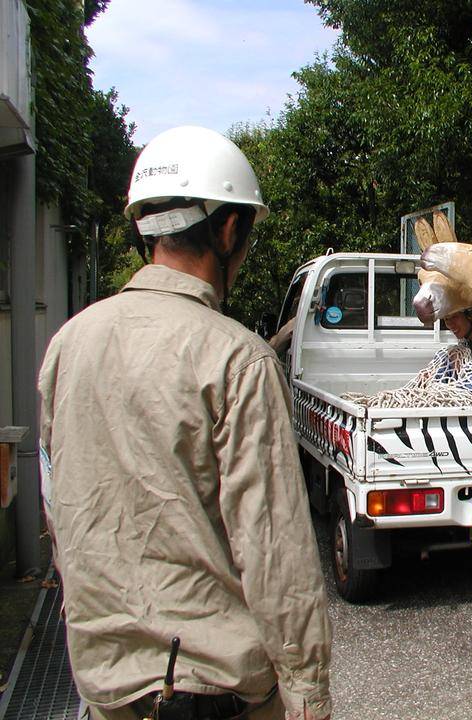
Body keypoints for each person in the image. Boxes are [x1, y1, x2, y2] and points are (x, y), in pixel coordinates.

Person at [38, 126, 332, 720]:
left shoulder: (69, 344)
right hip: (212, 691)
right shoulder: (236, 360)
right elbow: (275, 553)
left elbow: (60, 503)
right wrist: (308, 693)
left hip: (106, 688)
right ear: (228, 230)